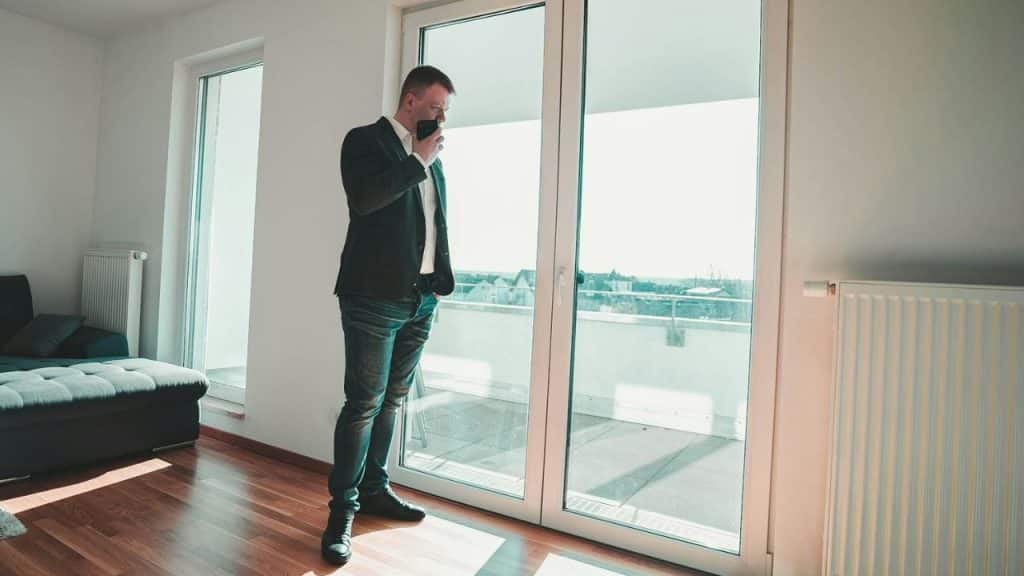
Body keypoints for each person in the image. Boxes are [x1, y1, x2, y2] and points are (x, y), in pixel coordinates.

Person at [321, 65, 456, 566]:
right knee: (363, 404)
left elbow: (434, 225)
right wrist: (418, 160)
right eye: (437, 106)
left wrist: (439, 283)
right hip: (372, 298)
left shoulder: (432, 160)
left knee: (393, 401)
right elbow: (365, 201)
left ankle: (376, 489)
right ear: (411, 101)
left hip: (420, 299)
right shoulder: (366, 142)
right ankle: (341, 514)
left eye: (446, 111)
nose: (442, 117)